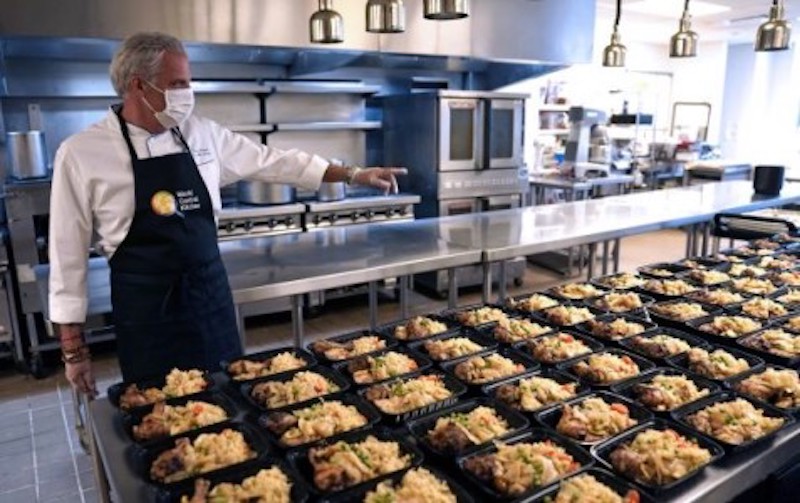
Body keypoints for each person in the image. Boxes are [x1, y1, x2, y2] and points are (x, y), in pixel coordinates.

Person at [49, 32, 406, 396]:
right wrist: (73, 349)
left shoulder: (201, 134)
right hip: (146, 313)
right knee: (158, 407)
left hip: (210, 299)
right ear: (138, 85)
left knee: (229, 398)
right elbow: (67, 256)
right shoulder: (81, 154)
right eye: (178, 84)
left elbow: (274, 161)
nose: (187, 94)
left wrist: (353, 174)